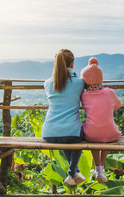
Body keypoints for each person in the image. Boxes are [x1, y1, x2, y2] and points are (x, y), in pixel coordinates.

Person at [42, 49, 86, 186]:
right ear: (72, 63)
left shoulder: (48, 83)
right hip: (71, 133)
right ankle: (72, 172)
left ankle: (75, 173)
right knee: (78, 132)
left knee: (66, 133)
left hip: (49, 133)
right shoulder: (79, 83)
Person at [80, 57, 122, 183]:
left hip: (92, 135)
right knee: (106, 133)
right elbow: (118, 106)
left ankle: (97, 168)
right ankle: (101, 169)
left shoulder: (84, 95)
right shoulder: (109, 92)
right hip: (111, 134)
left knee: (93, 132)